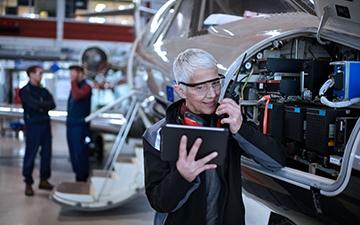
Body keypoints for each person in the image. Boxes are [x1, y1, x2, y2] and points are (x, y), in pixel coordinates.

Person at [143, 48, 286, 225]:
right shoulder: (157, 135)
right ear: (180, 90)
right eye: (200, 87)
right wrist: (181, 177)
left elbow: (276, 161)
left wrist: (241, 129)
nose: (211, 94)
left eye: (215, 83)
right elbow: (159, 201)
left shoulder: (230, 121)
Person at [20, 65, 56, 196]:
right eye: (39, 73)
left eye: (42, 73)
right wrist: (42, 106)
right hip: (33, 126)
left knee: (46, 154)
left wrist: (41, 107)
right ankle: (28, 183)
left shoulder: (44, 91)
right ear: (31, 74)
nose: (41, 76)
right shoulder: (25, 91)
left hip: (45, 125)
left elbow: (52, 104)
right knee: (31, 154)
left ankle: (44, 180)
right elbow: (33, 105)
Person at [66, 65, 92, 182]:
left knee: (80, 152)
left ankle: (82, 177)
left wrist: (73, 82)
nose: (71, 76)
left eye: (74, 73)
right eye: (70, 74)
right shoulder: (75, 87)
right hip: (71, 125)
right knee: (73, 153)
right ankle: (78, 176)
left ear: (81, 74)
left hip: (80, 126)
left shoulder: (86, 87)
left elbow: (78, 96)